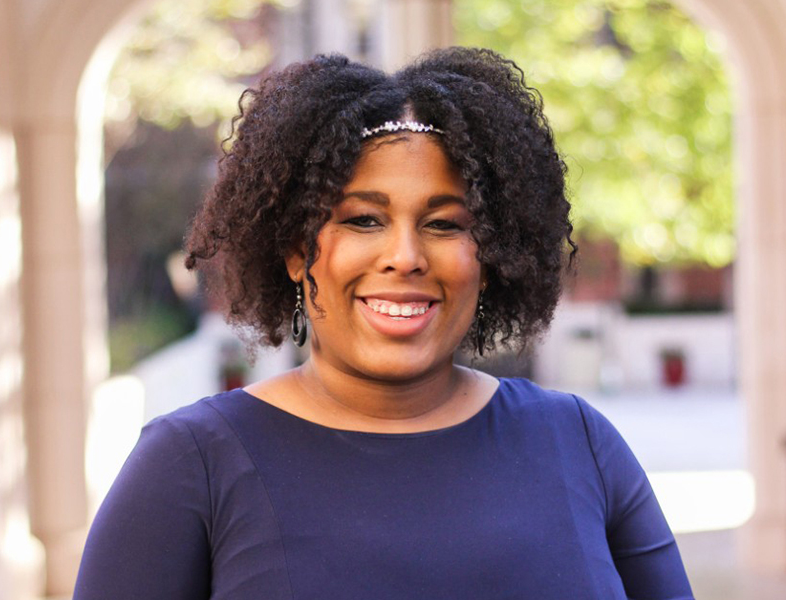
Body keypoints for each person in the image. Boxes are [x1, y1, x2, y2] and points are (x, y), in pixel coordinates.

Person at [73, 47, 694, 599]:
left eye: (445, 223)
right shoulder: (190, 466)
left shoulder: (578, 443)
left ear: (493, 255)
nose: (405, 255)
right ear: (294, 250)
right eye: (363, 220)